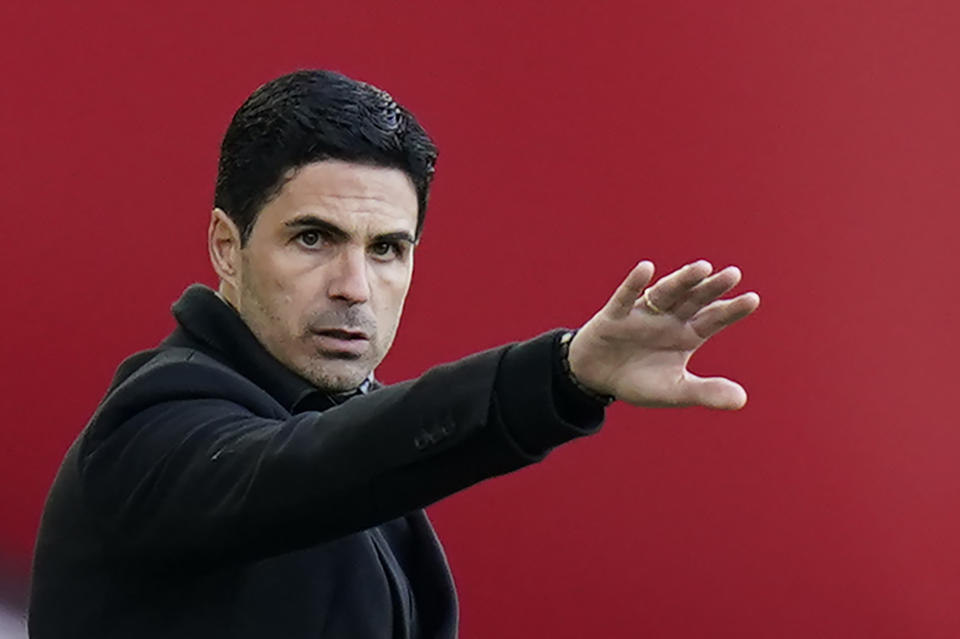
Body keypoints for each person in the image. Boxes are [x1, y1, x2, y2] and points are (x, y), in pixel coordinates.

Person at [28, 69, 760, 638]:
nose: (353, 287)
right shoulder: (149, 429)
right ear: (228, 245)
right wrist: (561, 376)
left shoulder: (355, 427)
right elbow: (307, 464)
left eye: (386, 249)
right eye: (312, 237)